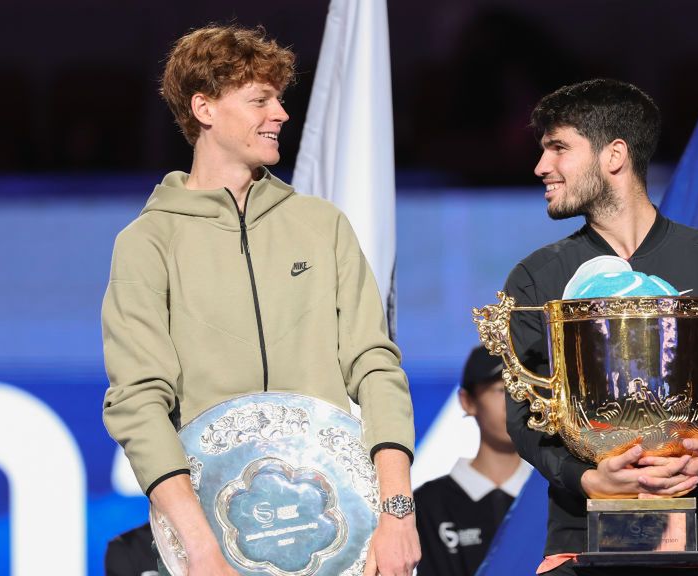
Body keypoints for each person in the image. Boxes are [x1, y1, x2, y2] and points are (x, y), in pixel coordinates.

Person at [101, 25, 420, 576]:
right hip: (206, 538)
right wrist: (199, 547)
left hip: (338, 531)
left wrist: (398, 513)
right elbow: (138, 402)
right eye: (259, 100)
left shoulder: (323, 225)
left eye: (279, 98)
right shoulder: (147, 242)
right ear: (203, 108)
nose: (280, 113)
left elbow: (375, 365)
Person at [504, 78, 698, 575]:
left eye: (558, 148)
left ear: (614, 155)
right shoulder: (535, 278)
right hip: (580, 547)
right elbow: (524, 415)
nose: (541, 167)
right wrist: (586, 478)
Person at [414, 346, 533, 576]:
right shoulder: (428, 504)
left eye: (522, 390)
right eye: (501, 390)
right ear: (467, 401)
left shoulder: (550, 497)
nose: (515, 403)